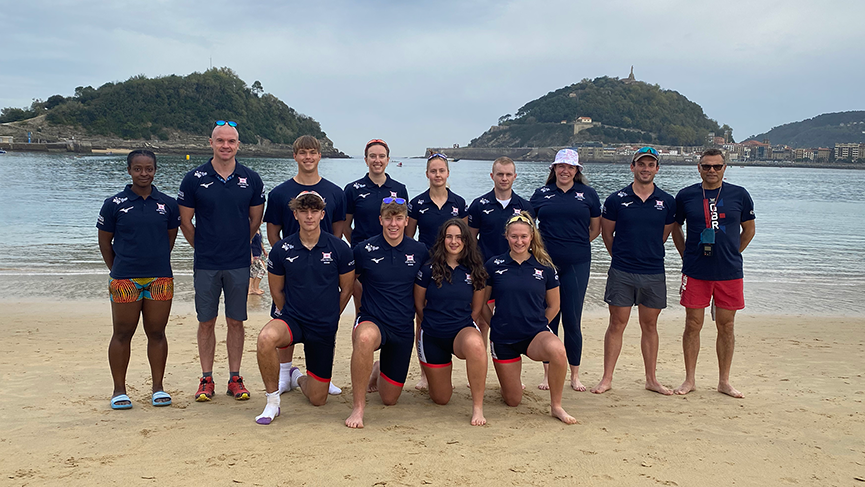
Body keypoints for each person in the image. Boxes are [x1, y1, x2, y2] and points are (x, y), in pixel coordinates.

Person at [178, 120, 265, 402]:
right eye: (220, 141)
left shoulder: (251, 179)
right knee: (207, 321)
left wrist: (239, 243)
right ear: (211, 143)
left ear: (238, 145)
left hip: (238, 262)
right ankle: (206, 378)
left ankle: (235, 377)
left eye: (231, 141)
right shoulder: (194, 178)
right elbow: (185, 221)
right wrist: (203, 246)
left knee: (236, 321)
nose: (225, 146)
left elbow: (255, 219)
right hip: (206, 263)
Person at [253, 192, 355, 424]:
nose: (309, 216)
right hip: (293, 320)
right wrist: (290, 314)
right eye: (303, 211)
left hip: (323, 325)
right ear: (295, 214)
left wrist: (330, 315)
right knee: (265, 338)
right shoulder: (282, 249)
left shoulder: (340, 248)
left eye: (314, 211)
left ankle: (296, 376)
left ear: (322, 214)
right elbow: (277, 291)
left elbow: (346, 290)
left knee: (318, 399)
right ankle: (272, 402)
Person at [264, 135, 347, 396]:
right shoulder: (279, 193)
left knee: (324, 320)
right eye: (302, 153)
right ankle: (285, 372)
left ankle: (319, 376)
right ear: (295, 156)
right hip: (291, 266)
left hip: (322, 265)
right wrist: (286, 261)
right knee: (285, 316)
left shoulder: (335, 192)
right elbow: (272, 233)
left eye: (312, 153)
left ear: (320, 156)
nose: (308, 157)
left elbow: (337, 233)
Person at [590, 147, 677, 395]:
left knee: (649, 326)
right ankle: (607, 378)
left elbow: (663, 235)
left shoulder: (667, 201)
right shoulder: (616, 199)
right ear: (632, 167)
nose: (646, 169)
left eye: (651, 165)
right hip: (622, 271)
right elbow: (607, 235)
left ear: (657, 169)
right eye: (641, 164)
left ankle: (651, 379)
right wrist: (621, 256)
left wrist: (645, 253)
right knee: (617, 323)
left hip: (653, 271)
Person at [97, 150, 180, 409]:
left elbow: (169, 239)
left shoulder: (167, 204)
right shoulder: (114, 204)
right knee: (122, 333)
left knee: (156, 333)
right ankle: (119, 390)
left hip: (160, 278)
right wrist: (120, 268)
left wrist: (153, 261)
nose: (143, 174)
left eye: (149, 169)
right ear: (129, 170)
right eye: (138, 169)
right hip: (124, 279)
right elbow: (104, 242)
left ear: (155, 170)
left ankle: (158, 388)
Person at [671, 148, 755, 398]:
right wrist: (685, 253)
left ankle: (724, 381)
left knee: (726, 326)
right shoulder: (686, 196)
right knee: (692, 324)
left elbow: (749, 230)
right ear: (699, 167)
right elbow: (676, 226)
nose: (711, 171)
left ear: (724, 168)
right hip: (696, 271)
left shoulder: (739, 195)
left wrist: (732, 252)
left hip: (729, 272)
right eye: (706, 166)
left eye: (717, 166)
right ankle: (689, 380)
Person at [482, 212, 576, 424]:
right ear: (506, 236)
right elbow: (481, 306)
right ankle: (510, 382)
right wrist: (494, 324)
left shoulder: (545, 267)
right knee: (513, 400)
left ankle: (556, 406)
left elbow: (554, 305)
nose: (519, 241)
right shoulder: (494, 265)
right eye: (514, 236)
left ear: (531, 236)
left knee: (558, 351)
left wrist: (539, 324)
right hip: (504, 339)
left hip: (534, 335)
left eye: (523, 236)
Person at [345, 198, 428, 428]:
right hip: (373, 320)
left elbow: (428, 285)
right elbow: (351, 281)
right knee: (364, 337)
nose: (393, 224)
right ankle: (358, 408)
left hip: (402, 328)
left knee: (389, 399)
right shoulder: (364, 250)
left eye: (398, 218)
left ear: (406, 221)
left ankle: (377, 368)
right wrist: (362, 308)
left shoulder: (419, 251)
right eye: (388, 218)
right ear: (380, 220)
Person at [529, 149, 601, 391]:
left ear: (577, 170)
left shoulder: (588, 194)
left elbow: (595, 229)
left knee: (572, 318)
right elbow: (529, 227)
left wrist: (574, 245)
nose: (565, 171)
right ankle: (548, 373)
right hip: (546, 264)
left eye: (570, 167)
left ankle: (574, 375)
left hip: (577, 263)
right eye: (560, 166)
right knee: (549, 318)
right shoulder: (541, 194)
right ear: (554, 169)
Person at [414, 219, 489, 425]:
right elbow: (419, 305)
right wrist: (435, 322)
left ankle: (477, 408)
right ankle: (378, 368)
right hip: (432, 335)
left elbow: (476, 309)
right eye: (449, 236)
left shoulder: (474, 270)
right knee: (441, 399)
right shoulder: (429, 268)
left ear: (466, 240)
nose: (454, 241)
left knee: (476, 344)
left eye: (459, 237)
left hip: (461, 331)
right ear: (443, 239)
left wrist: (459, 326)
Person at [407, 152, 467, 389]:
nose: (438, 175)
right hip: (426, 267)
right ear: (427, 174)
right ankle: (425, 373)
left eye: (442, 170)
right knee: (421, 319)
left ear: (447, 173)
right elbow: (409, 237)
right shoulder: (417, 203)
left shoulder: (459, 203)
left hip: (453, 268)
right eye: (433, 171)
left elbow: (465, 240)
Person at [467, 156, 534, 343]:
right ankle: (482, 362)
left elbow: (530, 241)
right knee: (482, 320)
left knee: (509, 316)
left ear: (515, 177)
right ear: (492, 176)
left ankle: (506, 354)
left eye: (508, 175)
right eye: (500, 174)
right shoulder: (479, 205)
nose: (504, 178)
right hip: (485, 270)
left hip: (513, 270)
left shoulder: (525, 207)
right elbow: (471, 239)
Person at [343, 139, 409, 314]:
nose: (377, 160)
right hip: (362, 256)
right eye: (372, 156)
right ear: (366, 160)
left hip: (391, 255)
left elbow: (403, 223)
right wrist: (359, 245)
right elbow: (345, 225)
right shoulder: (353, 189)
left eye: (381, 156)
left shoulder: (399, 189)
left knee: (391, 306)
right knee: (362, 309)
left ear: (388, 160)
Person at [249, 229, 267, 295]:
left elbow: (260, 242)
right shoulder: (252, 230)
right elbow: (249, 244)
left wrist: (264, 250)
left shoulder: (258, 229)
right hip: (254, 254)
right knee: (262, 270)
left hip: (258, 253)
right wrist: (251, 256)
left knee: (254, 272)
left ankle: (251, 289)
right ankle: (255, 288)